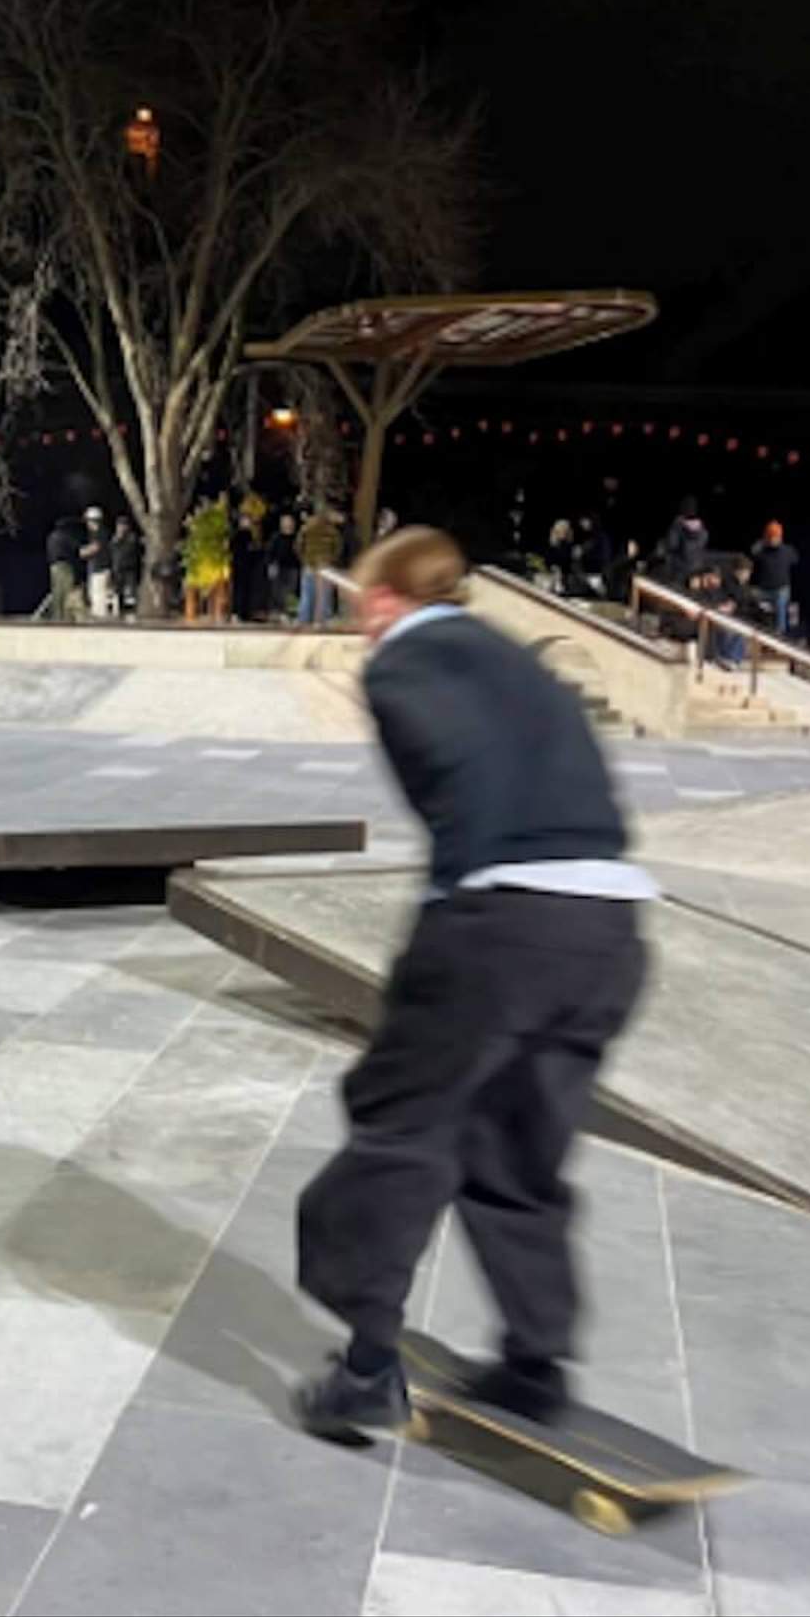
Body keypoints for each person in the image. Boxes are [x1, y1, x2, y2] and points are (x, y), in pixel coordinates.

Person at [292, 526, 652, 1441]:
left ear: (381, 603)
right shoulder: (517, 658)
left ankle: (368, 1367)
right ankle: (538, 1364)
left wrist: (452, 911)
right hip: (610, 928)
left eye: (362, 617)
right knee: (515, 1151)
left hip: (502, 925)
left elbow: (456, 780)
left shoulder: (403, 663)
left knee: (399, 1125)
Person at [749, 521, 799, 637]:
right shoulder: (762, 550)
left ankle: (779, 633)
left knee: (780, 603)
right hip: (763, 590)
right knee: (749, 595)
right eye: (771, 537)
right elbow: (752, 552)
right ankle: (757, 628)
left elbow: (795, 559)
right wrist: (762, 542)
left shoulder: (787, 550)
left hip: (780, 589)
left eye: (776, 537)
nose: (773, 540)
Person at [298, 505, 344, 625]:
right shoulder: (332, 531)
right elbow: (338, 548)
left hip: (309, 564)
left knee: (307, 594)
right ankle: (323, 619)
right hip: (325, 565)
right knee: (324, 594)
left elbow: (298, 546)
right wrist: (331, 560)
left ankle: (304, 619)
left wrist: (305, 559)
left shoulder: (306, 529)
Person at [44, 514, 84, 621]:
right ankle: (66, 617)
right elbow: (77, 550)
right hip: (64, 566)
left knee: (57, 592)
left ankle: (57, 616)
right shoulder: (65, 537)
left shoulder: (51, 537)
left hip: (53, 567)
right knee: (66, 592)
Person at [83, 506, 115, 618]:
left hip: (100, 567)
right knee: (96, 592)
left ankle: (100, 616)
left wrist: (83, 551)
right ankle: (98, 614)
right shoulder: (98, 533)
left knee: (98, 593)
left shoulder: (100, 532)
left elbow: (95, 547)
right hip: (99, 567)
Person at [112, 515, 146, 620]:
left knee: (130, 593)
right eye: (119, 526)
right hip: (118, 570)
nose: (121, 528)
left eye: (123, 525)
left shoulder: (131, 538)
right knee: (118, 594)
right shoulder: (115, 539)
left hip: (129, 570)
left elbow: (131, 552)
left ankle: (131, 613)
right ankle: (120, 613)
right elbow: (113, 552)